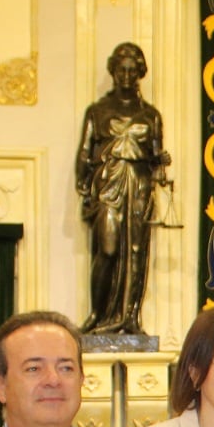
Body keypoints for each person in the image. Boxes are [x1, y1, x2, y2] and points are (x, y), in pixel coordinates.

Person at [77, 41, 171, 335]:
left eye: (132, 70)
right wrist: (84, 189)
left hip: (140, 184)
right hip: (109, 182)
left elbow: (157, 160)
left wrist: (160, 164)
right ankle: (98, 313)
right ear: (113, 71)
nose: (127, 75)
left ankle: (130, 318)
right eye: (122, 70)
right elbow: (84, 153)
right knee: (107, 248)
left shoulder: (151, 115)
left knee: (136, 251)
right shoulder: (97, 111)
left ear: (140, 73)